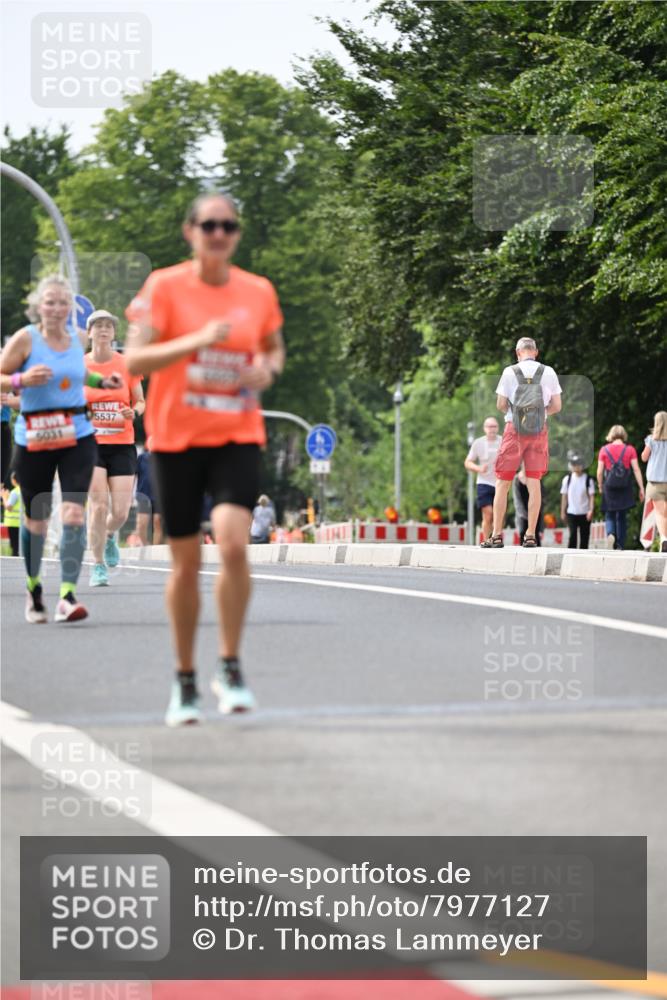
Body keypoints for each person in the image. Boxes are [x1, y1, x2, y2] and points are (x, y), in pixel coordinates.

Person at [125, 190, 285, 726]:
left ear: (236, 234)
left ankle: (230, 666)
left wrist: (267, 369)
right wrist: (193, 340)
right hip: (176, 440)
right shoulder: (164, 287)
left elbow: (273, 346)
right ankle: (184, 677)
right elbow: (136, 360)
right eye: (209, 225)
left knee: (235, 546)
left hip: (237, 434)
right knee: (187, 562)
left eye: (228, 226)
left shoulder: (257, 291)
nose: (219, 234)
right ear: (190, 231)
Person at [0, 274, 121, 622]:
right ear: (39, 306)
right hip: (34, 435)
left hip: (76, 434)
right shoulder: (25, 340)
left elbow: (77, 374)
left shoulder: (78, 339)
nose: (56, 308)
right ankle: (34, 588)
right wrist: (21, 380)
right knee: (36, 519)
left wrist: (102, 381)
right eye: (50, 302)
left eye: (62, 303)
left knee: (73, 514)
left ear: (71, 309)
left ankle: (67, 596)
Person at [481, 337, 562, 548]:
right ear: (536, 352)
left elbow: (500, 404)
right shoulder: (548, 372)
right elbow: (557, 406)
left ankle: (496, 535)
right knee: (534, 482)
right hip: (538, 431)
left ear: (518, 353)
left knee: (502, 482)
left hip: (514, 430)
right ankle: (531, 535)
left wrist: (516, 412)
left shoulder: (510, 372)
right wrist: (540, 413)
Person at [84, 309, 145, 586]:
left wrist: (135, 411)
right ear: (90, 332)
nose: (104, 330)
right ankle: (97, 565)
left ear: (114, 333)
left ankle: (109, 536)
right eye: (98, 325)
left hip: (122, 444)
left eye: (108, 326)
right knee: (98, 507)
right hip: (91, 445)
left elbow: (140, 401)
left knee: (120, 512)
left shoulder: (127, 364)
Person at [597, 424, 644, 550]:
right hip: (625, 486)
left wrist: (600, 485)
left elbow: (600, 472)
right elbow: (636, 469)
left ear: (611, 435)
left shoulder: (604, 450)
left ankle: (611, 534)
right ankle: (620, 545)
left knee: (610, 514)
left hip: (609, 486)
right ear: (624, 435)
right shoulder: (630, 449)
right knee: (622, 516)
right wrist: (641, 488)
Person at [464, 417, 500, 542]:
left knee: (499, 515)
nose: (492, 429)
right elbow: (467, 462)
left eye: (494, 426)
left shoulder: (503, 441)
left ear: (498, 428)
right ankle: (486, 540)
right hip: (484, 482)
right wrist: (478, 468)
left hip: (500, 483)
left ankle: (495, 538)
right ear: (485, 428)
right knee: (488, 513)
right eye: (489, 426)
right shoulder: (478, 443)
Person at [641, 411, 667, 553]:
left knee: (660, 513)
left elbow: (644, 457)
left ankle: (664, 539)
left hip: (655, 483)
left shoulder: (651, 440)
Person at [560, 455, 595, 549]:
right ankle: (570, 555)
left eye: (578, 464)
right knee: (572, 536)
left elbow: (591, 496)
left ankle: (583, 556)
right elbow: (564, 496)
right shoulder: (567, 479)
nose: (576, 466)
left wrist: (591, 510)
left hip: (584, 513)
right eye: (574, 464)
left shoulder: (588, 480)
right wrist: (562, 512)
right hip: (572, 512)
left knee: (584, 537)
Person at [135, 442, 162, 546]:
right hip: (143, 495)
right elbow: (134, 475)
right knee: (141, 524)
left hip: (159, 496)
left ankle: (155, 549)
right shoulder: (141, 458)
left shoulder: (164, 458)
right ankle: (146, 545)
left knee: (157, 522)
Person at [513, 463, 545, 545]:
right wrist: (524, 514)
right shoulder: (517, 479)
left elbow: (541, 496)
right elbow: (517, 499)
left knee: (536, 535)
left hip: (535, 512)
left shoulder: (536, 478)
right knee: (522, 533)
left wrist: (536, 511)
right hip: (522, 514)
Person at [2, 470, 22, 556]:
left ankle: (15, 561)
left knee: (15, 547)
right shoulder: (23, 490)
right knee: (19, 546)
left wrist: (4, 497)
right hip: (22, 522)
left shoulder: (15, 492)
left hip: (13, 523)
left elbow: (9, 507)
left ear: (14, 480)